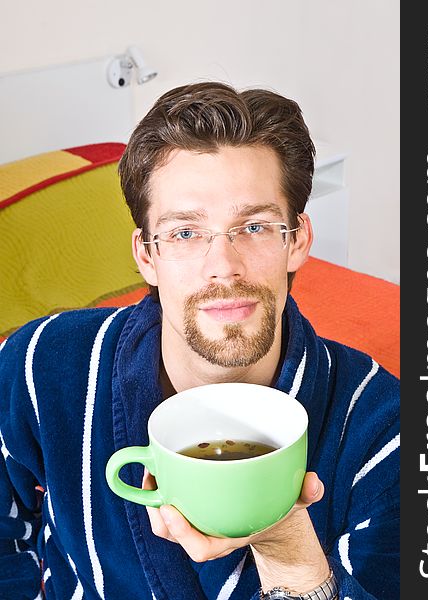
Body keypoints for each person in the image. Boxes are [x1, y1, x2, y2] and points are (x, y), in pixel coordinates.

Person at [0, 82, 399, 600]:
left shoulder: (389, 430)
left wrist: (291, 554)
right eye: (185, 233)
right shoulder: (40, 365)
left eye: (254, 226)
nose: (223, 268)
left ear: (297, 240)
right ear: (147, 255)